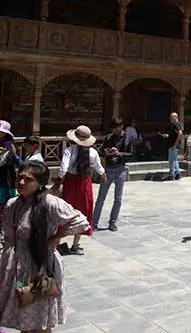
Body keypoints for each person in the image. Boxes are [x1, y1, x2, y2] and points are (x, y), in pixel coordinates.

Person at [0, 160, 90, 332]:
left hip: (40, 267)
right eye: (20, 177)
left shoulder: (49, 203)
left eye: (28, 179)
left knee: (40, 322)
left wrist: (57, 236)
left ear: (40, 183)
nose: (21, 182)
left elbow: (81, 222)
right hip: (15, 268)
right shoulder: (13, 204)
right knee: (23, 319)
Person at [54, 125, 105, 255]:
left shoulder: (69, 150)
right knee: (83, 211)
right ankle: (75, 244)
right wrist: (104, 174)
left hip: (71, 183)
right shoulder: (92, 152)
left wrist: (59, 180)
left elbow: (63, 169)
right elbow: (99, 168)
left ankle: (57, 242)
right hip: (84, 183)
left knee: (65, 211)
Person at [93, 118, 131, 232]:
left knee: (118, 198)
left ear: (121, 127)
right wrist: (107, 152)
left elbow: (132, 154)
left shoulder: (127, 138)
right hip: (109, 168)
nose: (114, 130)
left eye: (116, 128)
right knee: (101, 197)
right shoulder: (108, 138)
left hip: (120, 169)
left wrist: (119, 154)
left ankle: (112, 222)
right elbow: (102, 152)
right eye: (113, 128)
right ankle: (94, 222)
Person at [160, 113, 183, 181]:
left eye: (171, 117)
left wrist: (175, 143)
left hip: (173, 145)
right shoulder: (175, 125)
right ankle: (178, 174)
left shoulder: (176, 124)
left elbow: (180, 133)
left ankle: (171, 175)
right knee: (174, 160)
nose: (170, 119)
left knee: (171, 160)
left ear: (175, 117)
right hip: (173, 145)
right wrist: (167, 136)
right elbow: (174, 135)